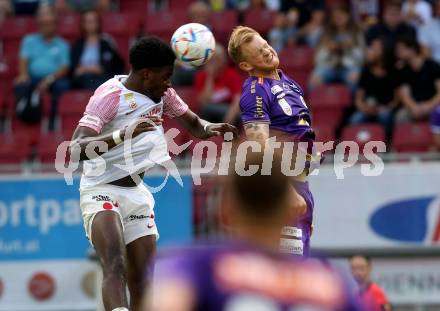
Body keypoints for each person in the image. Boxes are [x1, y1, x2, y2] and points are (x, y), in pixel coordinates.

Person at [69, 37, 237, 311]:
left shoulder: (163, 94)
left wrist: (211, 128)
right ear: (146, 75)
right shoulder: (109, 96)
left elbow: (193, 123)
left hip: (136, 193)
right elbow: (76, 150)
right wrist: (124, 134)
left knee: (143, 279)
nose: (169, 83)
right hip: (100, 188)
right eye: (166, 76)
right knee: (115, 264)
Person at [146, 151, 364, 311]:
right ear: (291, 213)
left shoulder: (199, 264)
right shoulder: (331, 282)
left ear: (224, 211)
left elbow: (166, 303)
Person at [228, 26, 318, 256]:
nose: (267, 51)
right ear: (246, 66)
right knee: (290, 273)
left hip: (299, 185)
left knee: (298, 268)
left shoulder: (288, 82)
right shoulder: (255, 91)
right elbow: (259, 145)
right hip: (283, 187)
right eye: (259, 52)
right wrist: (286, 193)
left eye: (265, 44)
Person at [14, 5, 70, 128]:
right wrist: (23, 74)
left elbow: (64, 68)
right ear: (39, 25)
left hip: (53, 79)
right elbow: (23, 61)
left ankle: (53, 118)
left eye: (50, 23)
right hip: (33, 78)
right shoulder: (29, 40)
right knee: (21, 84)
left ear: (55, 25)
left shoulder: (62, 44)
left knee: (63, 85)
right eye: (44, 24)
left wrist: (49, 79)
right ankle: (23, 116)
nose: (47, 26)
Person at [309, 3, 365, 92]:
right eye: (336, 16)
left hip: (349, 65)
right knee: (314, 81)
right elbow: (318, 60)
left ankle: (352, 105)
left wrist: (351, 47)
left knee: (354, 79)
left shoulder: (356, 32)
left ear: (348, 15)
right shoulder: (325, 33)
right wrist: (328, 49)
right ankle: (313, 105)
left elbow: (362, 58)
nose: (339, 18)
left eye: (342, 14)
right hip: (329, 65)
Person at [350, 38, 398, 139]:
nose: (369, 51)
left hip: (385, 109)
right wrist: (365, 108)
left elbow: (397, 99)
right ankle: (356, 146)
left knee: (385, 116)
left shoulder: (394, 72)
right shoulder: (366, 72)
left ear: (384, 51)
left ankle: (385, 144)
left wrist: (386, 108)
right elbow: (359, 99)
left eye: (374, 48)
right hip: (367, 109)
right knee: (355, 119)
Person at [70, 10, 124, 90]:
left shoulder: (106, 43)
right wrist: (93, 69)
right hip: (82, 80)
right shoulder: (78, 44)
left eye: (93, 21)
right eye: (88, 21)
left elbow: (115, 65)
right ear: (82, 24)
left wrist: (86, 69)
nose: (90, 24)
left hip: (102, 78)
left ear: (98, 23)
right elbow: (74, 69)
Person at [395, 36, 440, 123]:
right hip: (414, 107)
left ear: (412, 49)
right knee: (401, 116)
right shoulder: (403, 70)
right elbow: (405, 95)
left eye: (400, 49)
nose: (397, 52)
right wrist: (413, 107)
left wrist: (428, 106)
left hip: (433, 105)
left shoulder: (432, 65)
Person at [195, 44, 242, 124]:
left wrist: (229, 118)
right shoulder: (201, 76)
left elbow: (238, 99)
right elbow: (204, 102)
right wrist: (210, 77)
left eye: (215, 59)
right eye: (210, 59)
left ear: (223, 61)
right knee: (206, 108)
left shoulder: (231, 74)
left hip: (230, 110)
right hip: (209, 114)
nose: (212, 63)